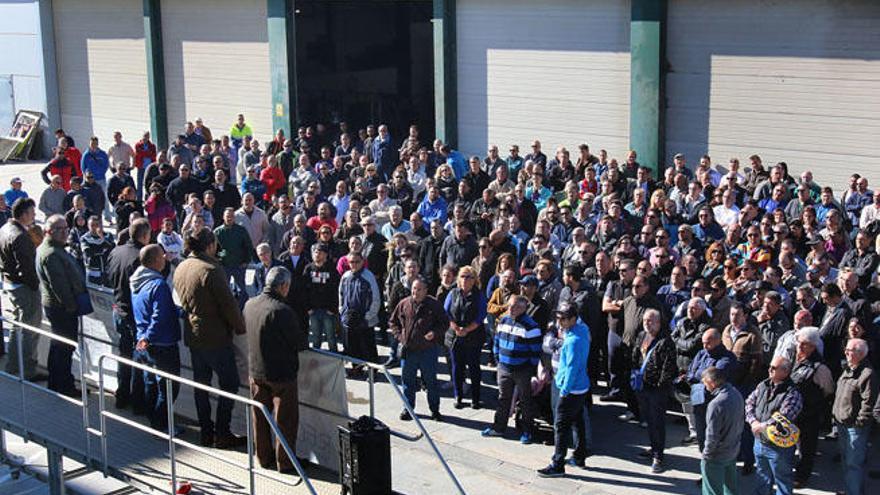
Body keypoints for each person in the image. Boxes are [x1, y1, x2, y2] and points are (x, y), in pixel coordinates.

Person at [173, 228, 247, 449]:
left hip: (193, 334)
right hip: (215, 335)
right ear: (210, 245)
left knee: (201, 385)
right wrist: (240, 327)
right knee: (230, 382)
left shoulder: (182, 266)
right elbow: (228, 305)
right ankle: (222, 432)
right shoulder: (211, 269)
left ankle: (206, 431)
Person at [244, 266, 308, 474]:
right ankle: (285, 462)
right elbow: (299, 343)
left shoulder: (250, 304)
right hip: (281, 375)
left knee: (259, 419)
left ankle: (262, 457)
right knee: (285, 422)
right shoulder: (282, 311)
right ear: (283, 286)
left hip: (256, 371)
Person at [35, 215, 88, 397]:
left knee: (58, 346)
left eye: (66, 228)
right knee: (64, 348)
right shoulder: (50, 254)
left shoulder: (53, 249)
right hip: (62, 309)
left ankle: (56, 381)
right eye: (61, 230)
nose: (66, 233)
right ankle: (64, 386)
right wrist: (72, 306)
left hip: (59, 307)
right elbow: (60, 286)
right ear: (49, 232)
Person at [131, 244, 181, 432]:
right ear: (155, 260)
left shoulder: (136, 281)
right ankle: (161, 425)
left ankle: (153, 420)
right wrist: (149, 337)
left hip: (146, 342)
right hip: (162, 343)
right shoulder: (158, 285)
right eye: (162, 255)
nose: (166, 257)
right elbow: (160, 314)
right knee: (169, 387)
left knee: (151, 383)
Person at [536, 304, 590, 477]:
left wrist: (564, 390)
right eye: (558, 318)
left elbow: (572, 368)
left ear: (573, 318)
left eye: (563, 319)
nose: (559, 322)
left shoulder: (573, 340)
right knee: (577, 421)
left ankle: (558, 463)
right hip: (580, 387)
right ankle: (579, 456)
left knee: (560, 425)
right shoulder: (580, 330)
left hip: (569, 388)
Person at [482, 295, 543, 443]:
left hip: (522, 370)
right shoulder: (503, 320)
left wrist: (529, 367)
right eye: (509, 305)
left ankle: (527, 431)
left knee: (525, 400)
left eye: (515, 306)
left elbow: (535, 351)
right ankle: (498, 428)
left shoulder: (531, 326)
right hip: (504, 368)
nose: (511, 309)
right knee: (503, 398)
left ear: (524, 308)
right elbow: (496, 341)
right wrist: (498, 359)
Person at [106, 218, 152, 412]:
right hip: (134, 315)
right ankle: (137, 402)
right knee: (139, 359)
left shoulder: (116, 251)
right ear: (144, 235)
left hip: (118, 309)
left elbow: (108, 277)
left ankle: (122, 395)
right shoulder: (140, 256)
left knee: (123, 354)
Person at [389, 277, 448, 421]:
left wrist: (434, 333)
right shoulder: (404, 304)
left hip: (428, 351)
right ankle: (408, 408)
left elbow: (444, 323)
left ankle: (435, 410)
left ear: (426, 291)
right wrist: (400, 337)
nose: (416, 292)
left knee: (430, 382)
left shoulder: (434, 305)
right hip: (409, 351)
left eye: (419, 289)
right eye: (414, 288)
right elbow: (393, 322)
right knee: (407, 381)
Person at [745, 355, 803, 495]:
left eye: (774, 368)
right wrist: (753, 421)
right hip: (760, 441)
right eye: (770, 366)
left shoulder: (792, 392)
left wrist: (761, 426)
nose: (769, 369)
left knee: (782, 479)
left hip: (779, 447)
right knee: (762, 477)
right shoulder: (762, 385)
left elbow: (785, 417)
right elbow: (749, 403)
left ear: (785, 372)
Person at [0, 198, 44, 380]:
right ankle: (28, 370)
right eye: (32, 213)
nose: (34, 217)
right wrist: (36, 287)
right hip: (24, 288)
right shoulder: (20, 236)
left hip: (10, 284)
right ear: (24, 214)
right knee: (29, 330)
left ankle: (12, 365)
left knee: (16, 326)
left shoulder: (4, 229)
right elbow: (26, 268)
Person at [632, 308, 677, 473]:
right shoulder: (642, 336)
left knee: (657, 422)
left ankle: (658, 455)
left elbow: (668, 367)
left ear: (659, 322)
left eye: (651, 321)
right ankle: (653, 447)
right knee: (648, 421)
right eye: (645, 321)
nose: (647, 324)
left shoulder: (665, 341)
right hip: (642, 386)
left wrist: (659, 384)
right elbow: (636, 355)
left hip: (657, 389)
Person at [832, 338, 877, 495]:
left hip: (854, 428)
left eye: (849, 350)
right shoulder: (849, 369)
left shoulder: (867, 374)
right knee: (846, 461)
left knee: (854, 464)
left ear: (860, 353)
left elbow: (868, 403)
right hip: (842, 422)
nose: (846, 352)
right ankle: (850, 490)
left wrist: (859, 422)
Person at [444, 266, 487, 410]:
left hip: (473, 336)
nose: (465, 279)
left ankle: (476, 398)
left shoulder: (479, 295)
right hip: (455, 336)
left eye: (469, 277)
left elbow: (481, 316)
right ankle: (458, 395)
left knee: (474, 367)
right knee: (457, 367)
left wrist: (467, 329)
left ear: (474, 280)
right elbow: (446, 312)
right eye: (462, 276)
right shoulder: (453, 293)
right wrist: (456, 328)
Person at [700, 366, 744, 495]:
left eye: (704, 382)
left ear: (712, 383)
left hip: (716, 455)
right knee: (730, 489)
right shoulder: (736, 394)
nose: (704, 385)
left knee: (712, 491)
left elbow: (712, 436)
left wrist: (706, 456)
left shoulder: (716, 404)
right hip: (732, 450)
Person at [338, 251, 381, 367]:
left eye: (357, 262)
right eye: (351, 262)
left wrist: (368, 316)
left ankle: (373, 371)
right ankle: (356, 369)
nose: (354, 264)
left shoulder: (368, 276)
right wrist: (342, 311)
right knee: (352, 347)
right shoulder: (345, 276)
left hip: (365, 319)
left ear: (362, 262)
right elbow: (341, 294)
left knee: (368, 347)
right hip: (349, 317)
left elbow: (376, 298)